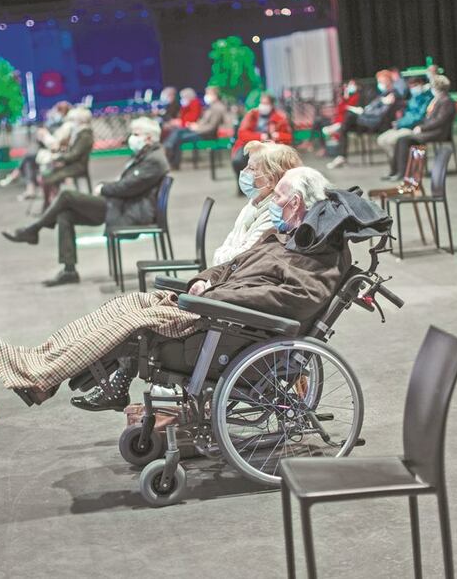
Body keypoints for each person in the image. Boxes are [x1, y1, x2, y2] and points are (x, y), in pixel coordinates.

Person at [0, 167, 346, 407]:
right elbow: (230, 265)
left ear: (297, 202)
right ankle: (42, 362)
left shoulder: (316, 254)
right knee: (129, 302)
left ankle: (43, 376)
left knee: (130, 323)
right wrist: (205, 279)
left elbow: (295, 299)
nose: (275, 203)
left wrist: (217, 296)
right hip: (212, 305)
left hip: (225, 321)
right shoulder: (280, 237)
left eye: (280, 197)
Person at [69, 140, 303, 411]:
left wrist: (216, 272)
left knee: (142, 322)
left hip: (227, 302)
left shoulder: (275, 218)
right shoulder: (254, 205)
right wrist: (217, 269)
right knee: (132, 310)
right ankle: (104, 376)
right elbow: (226, 256)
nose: (245, 173)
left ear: (273, 177)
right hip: (219, 285)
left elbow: (233, 259)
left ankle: (110, 381)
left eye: (252, 169)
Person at [2, 116, 169, 287]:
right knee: (65, 214)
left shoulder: (154, 160)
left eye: (136, 134)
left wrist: (103, 188)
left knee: (67, 196)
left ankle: (33, 229)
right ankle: (69, 271)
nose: (132, 137)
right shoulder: (146, 155)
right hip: (119, 205)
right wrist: (106, 187)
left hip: (127, 211)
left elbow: (128, 187)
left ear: (148, 137)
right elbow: (127, 184)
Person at [384, 74, 457, 180]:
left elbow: (439, 121)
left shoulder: (446, 101)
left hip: (439, 132)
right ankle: (398, 171)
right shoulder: (438, 100)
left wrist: (422, 128)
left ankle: (403, 172)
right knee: (401, 140)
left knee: (404, 140)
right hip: (432, 130)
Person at [327, 69, 399, 170]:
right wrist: (365, 111)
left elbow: (381, 114)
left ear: (388, 81)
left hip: (377, 123)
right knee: (346, 126)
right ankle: (341, 155)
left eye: (382, 81)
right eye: (379, 81)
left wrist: (365, 112)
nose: (380, 84)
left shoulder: (392, 95)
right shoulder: (381, 95)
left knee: (349, 117)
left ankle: (338, 128)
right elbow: (370, 108)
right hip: (368, 120)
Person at [0, 101, 72, 191]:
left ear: (63, 112)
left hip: (54, 152)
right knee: (29, 159)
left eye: (58, 110)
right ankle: (27, 185)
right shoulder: (56, 123)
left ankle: (22, 181)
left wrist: (45, 136)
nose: (55, 112)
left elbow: (56, 144)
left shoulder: (65, 125)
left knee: (28, 158)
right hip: (47, 149)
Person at [162, 86, 229, 170]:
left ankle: (172, 159)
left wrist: (197, 128)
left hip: (206, 134)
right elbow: (204, 121)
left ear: (215, 95)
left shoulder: (217, 108)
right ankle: (169, 151)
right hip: (201, 131)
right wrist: (195, 125)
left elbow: (212, 127)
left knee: (178, 137)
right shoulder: (212, 106)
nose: (206, 95)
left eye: (208, 93)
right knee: (178, 131)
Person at [39, 106, 94, 201]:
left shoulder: (84, 135)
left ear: (80, 120)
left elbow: (74, 154)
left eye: (74, 119)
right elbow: (73, 153)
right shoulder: (82, 133)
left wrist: (58, 158)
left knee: (47, 177)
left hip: (76, 166)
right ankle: (53, 203)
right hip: (72, 164)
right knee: (47, 175)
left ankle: (52, 204)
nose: (73, 122)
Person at [231, 92, 293, 177]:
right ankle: (242, 188)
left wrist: (277, 135)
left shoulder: (280, 117)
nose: (263, 105)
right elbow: (242, 134)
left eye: (266, 103)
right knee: (238, 161)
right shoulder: (252, 115)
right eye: (261, 103)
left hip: (270, 148)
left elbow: (288, 137)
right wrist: (261, 136)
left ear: (272, 104)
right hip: (250, 145)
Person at [374, 76, 433, 162]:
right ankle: (397, 165)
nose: (413, 89)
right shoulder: (413, 98)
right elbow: (407, 114)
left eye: (415, 85)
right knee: (381, 140)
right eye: (411, 87)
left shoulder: (427, 98)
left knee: (391, 140)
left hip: (416, 127)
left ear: (421, 84)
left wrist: (400, 123)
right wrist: (399, 122)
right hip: (404, 125)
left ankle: (402, 166)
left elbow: (418, 117)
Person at [312, 80, 362, 153]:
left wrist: (346, 99)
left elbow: (344, 109)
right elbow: (339, 109)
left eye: (352, 85)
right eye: (349, 85)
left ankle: (325, 148)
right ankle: (322, 147)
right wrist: (345, 96)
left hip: (344, 122)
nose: (350, 87)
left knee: (330, 128)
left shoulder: (356, 96)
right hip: (336, 120)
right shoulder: (346, 97)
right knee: (318, 122)